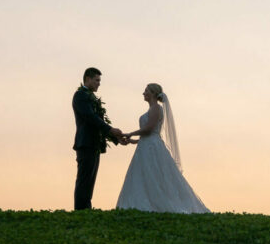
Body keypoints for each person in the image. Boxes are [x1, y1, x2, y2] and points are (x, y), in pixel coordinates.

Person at [115, 83, 209, 213]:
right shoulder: (152, 109)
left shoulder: (156, 109)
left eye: (146, 91)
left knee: (154, 174)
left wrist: (129, 133)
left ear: (153, 93)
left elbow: (149, 129)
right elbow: (147, 136)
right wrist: (134, 141)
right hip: (146, 146)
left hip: (152, 148)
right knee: (145, 175)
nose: (144, 93)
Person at [72, 67, 123, 210]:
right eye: (97, 80)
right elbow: (91, 118)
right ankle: (81, 211)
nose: (99, 83)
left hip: (94, 144)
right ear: (87, 78)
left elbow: (98, 121)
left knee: (90, 181)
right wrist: (111, 130)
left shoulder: (91, 97)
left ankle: (86, 209)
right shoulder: (80, 96)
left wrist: (115, 138)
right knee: (84, 180)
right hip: (85, 143)